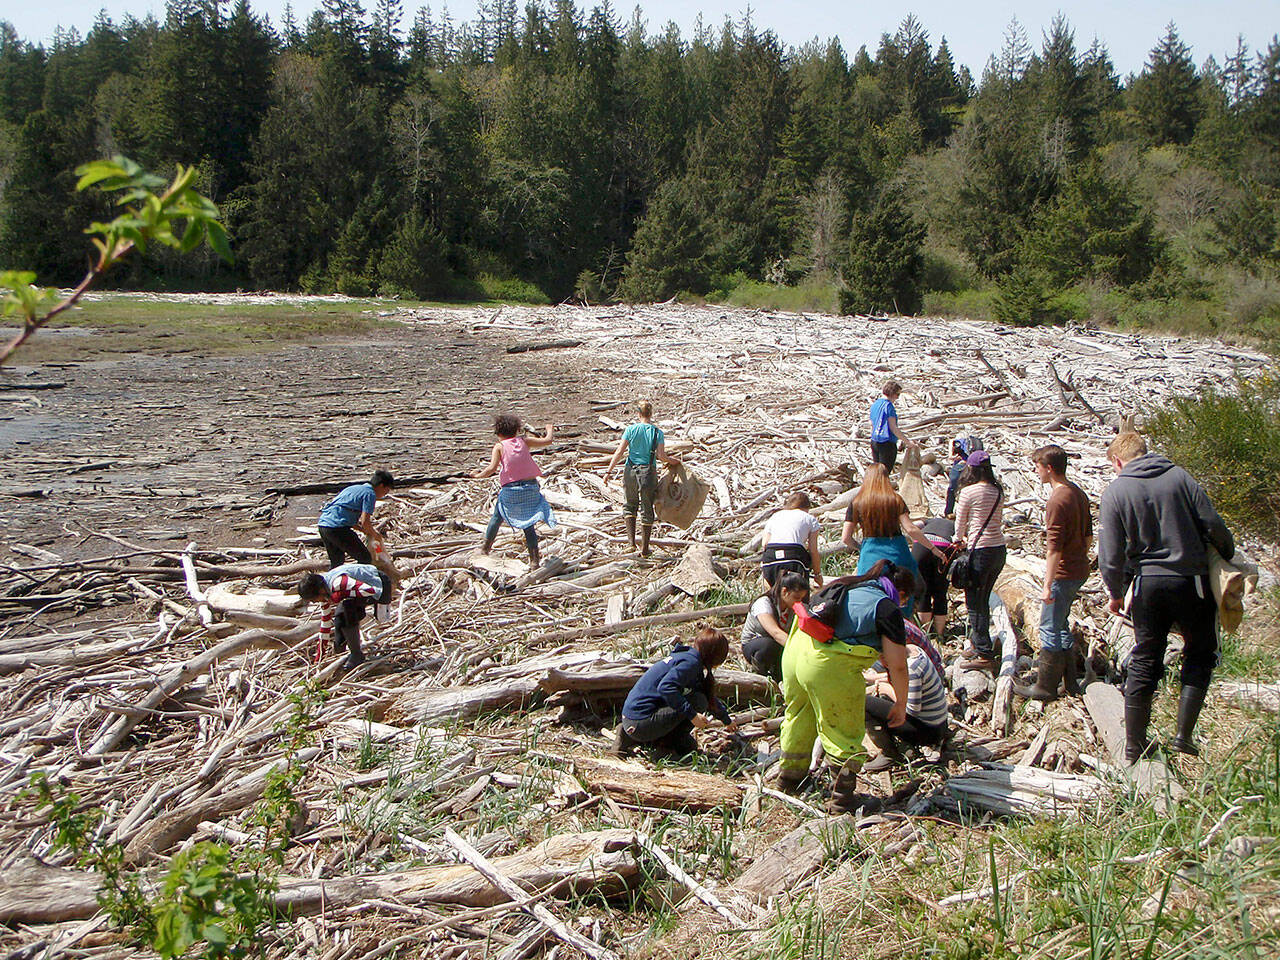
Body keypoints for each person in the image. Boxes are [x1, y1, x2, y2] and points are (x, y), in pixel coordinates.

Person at [1098, 432, 1235, 762]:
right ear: (1145, 452)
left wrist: (1116, 592)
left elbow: (1110, 553)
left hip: (1148, 584)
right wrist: (1227, 553)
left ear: (1117, 461)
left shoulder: (1116, 490)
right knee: (1200, 652)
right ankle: (1183, 737)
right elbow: (1211, 523)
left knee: (1146, 657)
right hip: (1192, 581)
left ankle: (1134, 745)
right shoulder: (1180, 476)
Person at [777, 562, 918, 813]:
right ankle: (842, 799)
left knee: (800, 714)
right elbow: (899, 666)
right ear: (902, 594)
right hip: (826, 663)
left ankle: (789, 780)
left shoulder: (849, 584)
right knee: (843, 728)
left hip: (797, 648)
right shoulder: (886, 607)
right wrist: (901, 704)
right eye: (905, 600)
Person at [1016, 444, 1092, 701]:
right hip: (1079, 568)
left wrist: (1047, 584)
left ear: (1049, 468)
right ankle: (1070, 682)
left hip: (1064, 572)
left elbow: (1054, 548)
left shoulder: (1057, 499)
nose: (1036, 472)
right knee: (1060, 624)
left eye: (1038, 467)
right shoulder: (1077, 493)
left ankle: (1045, 687)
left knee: (1048, 627)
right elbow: (1089, 536)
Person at [614, 627, 739, 757]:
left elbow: (708, 696)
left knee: (689, 745)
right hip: (640, 723)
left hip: (633, 718)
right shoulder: (690, 664)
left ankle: (630, 735)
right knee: (699, 701)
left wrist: (726, 720)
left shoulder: (687, 658)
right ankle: (666, 747)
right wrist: (693, 715)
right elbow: (666, 687)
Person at [474, 414, 556, 569]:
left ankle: (485, 549)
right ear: (517, 430)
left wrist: (477, 476)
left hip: (511, 489)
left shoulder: (499, 447)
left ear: (498, 433)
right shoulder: (524, 441)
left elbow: (491, 469)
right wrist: (549, 429)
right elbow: (548, 441)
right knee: (528, 523)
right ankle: (534, 561)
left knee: (497, 517)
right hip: (530, 487)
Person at [842, 464, 945, 583]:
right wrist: (933, 548)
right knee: (910, 590)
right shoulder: (895, 500)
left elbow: (846, 538)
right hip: (897, 550)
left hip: (869, 553)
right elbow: (910, 529)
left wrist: (860, 547)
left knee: (869, 591)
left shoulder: (857, 502)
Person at [862, 633, 951, 771]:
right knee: (880, 701)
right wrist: (872, 678)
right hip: (938, 723)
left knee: (865, 704)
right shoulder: (913, 651)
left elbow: (912, 710)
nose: (883, 662)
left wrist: (888, 690)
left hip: (929, 731)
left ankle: (889, 754)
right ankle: (903, 744)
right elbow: (898, 677)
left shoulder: (912, 668)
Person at [604, 401, 682, 557]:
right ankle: (645, 549)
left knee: (629, 505)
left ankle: (631, 544)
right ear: (651, 414)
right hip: (648, 473)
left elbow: (619, 452)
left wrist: (608, 471)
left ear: (638, 413)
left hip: (630, 471)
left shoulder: (630, 430)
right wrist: (675, 462)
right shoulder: (657, 432)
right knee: (647, 508)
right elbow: (661, 456)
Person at [955, 451, 1007, 668]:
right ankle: (978, 643)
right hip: (998, 549)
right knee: (983, 597)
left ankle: (984, 653)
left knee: (974, 601)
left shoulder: (968, 492)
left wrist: (958, 540)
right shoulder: (998, 491)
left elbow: (960, 524)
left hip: (981, 550)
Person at [298, 563, 392, 670]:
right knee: (339, 618)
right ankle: (339, 653)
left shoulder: (339, 583)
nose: (315, 602)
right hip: (362, 592)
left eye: (313, 599)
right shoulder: (325, 592)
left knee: (346, 607)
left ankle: (356, 655)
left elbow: (369, 590)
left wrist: (337, 597)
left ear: (319, 591)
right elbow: (325, 629)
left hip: (379, 585)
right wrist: (319, 659)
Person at [741, 572, 810, 682]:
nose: (799, 602)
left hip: (781, 644)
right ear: (784, 591)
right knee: (768, 646)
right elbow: (775, 633)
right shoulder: (763, 604)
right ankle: (760, 674)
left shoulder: (792, 607)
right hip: (756, 644)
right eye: (796, 597)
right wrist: (800, 650)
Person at [316, 470, 394, 568]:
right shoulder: (370, 494)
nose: (384, 494)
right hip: (337, 527)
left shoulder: (354, 488)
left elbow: (344, 513)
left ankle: (331, 581)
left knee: (337, 562)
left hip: (324, 525)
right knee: (364, 558)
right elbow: (365, 521)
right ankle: (360, 580)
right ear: (381, 486)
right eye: (386, 491)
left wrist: (362, 530)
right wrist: (375, 535)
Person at [760, 491, 824, 587]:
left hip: (771, 556)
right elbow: (813, 550)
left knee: (773, 595)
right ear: (807, 507)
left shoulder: (776, 516)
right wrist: (817, 574)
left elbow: (764, 543)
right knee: (798, 595)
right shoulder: (810, 519)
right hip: (794, 556)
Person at [910, 516, 956, 639]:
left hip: (921, 544)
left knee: (923, 590)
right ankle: (940, 634)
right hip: (944, 545)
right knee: (940, 592)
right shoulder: (955, 525)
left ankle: (925, 634)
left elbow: (914, 525)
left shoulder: (930, 520)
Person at [867, 380, 917, 473]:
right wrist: (908, 442)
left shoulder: (875, 404)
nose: (897, 398)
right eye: (897, 395)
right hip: (887, 443)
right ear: (892, 393)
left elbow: (871, 423)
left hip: (874, 441)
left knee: (877, 472)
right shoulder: (889, 406)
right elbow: (893, 428)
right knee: (885, 473)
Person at [944, 437, 982, 517]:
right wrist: (951, 455)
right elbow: (952, 441)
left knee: (952, 489)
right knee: (954, 488)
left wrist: (951, 456)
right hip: (967, 466)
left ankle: (949, 512)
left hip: (965, 466)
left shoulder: (965, 443)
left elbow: (951, 441)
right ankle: (951, 512)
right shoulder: (965, 442)